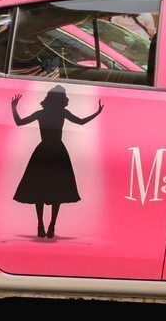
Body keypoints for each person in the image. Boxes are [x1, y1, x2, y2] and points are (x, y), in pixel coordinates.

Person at [11, 87, 103, 238]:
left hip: (43, 151)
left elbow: (19, 122)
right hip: (57, 151)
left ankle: (42, 224)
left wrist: (13, 108)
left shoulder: (41, 113)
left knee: (41, 190)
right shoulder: (62, 112)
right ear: (61, 99)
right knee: (56, 191)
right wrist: (97, 113)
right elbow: (80, 122)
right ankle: (49, 225)